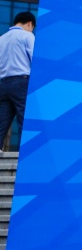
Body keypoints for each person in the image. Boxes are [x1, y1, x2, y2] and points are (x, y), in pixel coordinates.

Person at [0, 11, 35, 152]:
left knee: (2, 120)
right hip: (21, 82)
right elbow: (34, 59)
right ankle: (27, 152)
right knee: (25, 118)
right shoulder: (27, 35)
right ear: (30, 24)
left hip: (3, 83)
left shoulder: (2, 38)